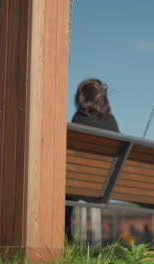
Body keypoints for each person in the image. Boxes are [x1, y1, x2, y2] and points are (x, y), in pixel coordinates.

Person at [66, 78, 119, 242]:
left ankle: (64, 236)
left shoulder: (79, 118)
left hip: (81, 182)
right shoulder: (111, 122)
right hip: (104, 185)